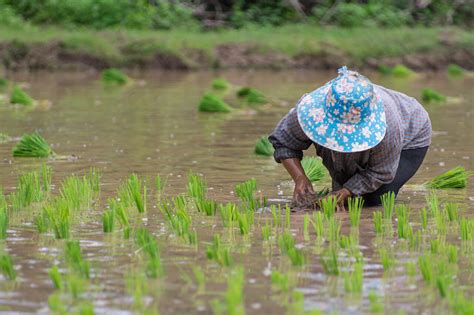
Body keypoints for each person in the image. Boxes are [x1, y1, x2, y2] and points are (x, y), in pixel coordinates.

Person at [268, 66, 431, 211]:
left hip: (410, 138)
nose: (341, 136)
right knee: (342, 200)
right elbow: (284, 141)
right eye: (336, 130)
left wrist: (347, 191)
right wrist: (300, 178)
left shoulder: (388, 125)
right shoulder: (309, 111)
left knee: (374, 201)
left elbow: (380, 172)